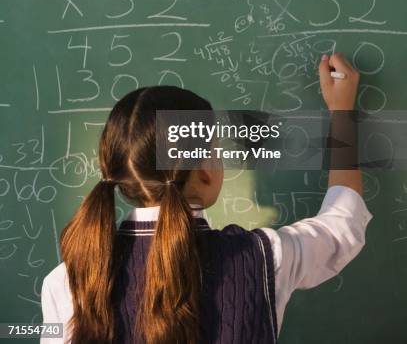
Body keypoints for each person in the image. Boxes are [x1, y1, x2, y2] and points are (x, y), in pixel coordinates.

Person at [40, 52, 372, 344]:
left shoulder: (67, 281)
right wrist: (342, 113)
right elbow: (343, 223)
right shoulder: (264, 257)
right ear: (204, 170)